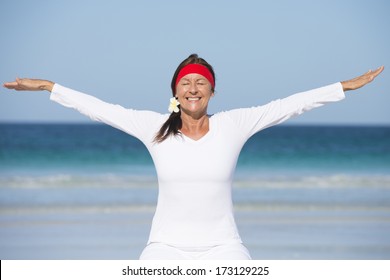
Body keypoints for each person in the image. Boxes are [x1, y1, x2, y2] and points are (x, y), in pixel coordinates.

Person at [3, 54, 384, 260]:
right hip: (164, 248)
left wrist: (343, 87)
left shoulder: (234, 124)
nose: (193, 86)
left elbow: (288, 106)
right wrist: (49, 87)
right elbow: (102, 109)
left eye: (201, 81)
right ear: (176, 92)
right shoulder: (154, 128)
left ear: (212, 92)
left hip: (225, 247)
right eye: (186, 81)